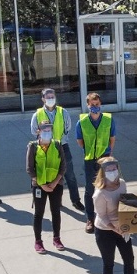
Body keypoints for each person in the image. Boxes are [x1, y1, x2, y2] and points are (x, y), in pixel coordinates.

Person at [92, 157, 137, 274]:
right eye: (109, 170)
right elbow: (101, 215)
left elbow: (125, 204)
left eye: (114, 169)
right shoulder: (100, 193)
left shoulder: (122, 184)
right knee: (109, 263)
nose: (113, 172)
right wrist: (114, 228)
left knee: (129, 259)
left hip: (122, 228)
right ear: (103, 172)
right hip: (105, 231)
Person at [31, 88, 84, 210]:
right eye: (48, 97)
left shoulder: (63, 112)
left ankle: (76, 200)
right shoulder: (37, 114)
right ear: (43, 99)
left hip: (62, 146)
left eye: (52, 97)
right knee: (50, 174)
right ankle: (56, 200)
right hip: (45, 148)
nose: (50, 99)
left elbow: (67, 128)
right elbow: (34, 131)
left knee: (69, 175)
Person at [76, 92, 116, 232]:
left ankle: (108, 217)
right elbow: (80, 141)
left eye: (97, 104)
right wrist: (89, 151)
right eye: (92, 104)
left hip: (104, 158)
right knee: (90, 189)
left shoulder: (108, 120)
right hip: (90, 159)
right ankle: (90, 219)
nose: (95, 107)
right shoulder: (82, 122)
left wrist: (108, 153)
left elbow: (112, 139)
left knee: (107, 187)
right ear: (88, 105)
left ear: (100, 104)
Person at [25, 121, 67, 254]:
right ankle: (38, 241)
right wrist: (42, 184)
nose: (47, 132)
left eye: (49, 130)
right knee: (39, 213)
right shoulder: (33, 146)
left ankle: (57, 238)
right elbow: (30, 169)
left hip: (56, 185)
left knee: (56, 212)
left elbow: (63, 166)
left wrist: (55, 183)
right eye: (44, 130)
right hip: (39, 185)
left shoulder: (57, 145)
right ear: (38, 131)